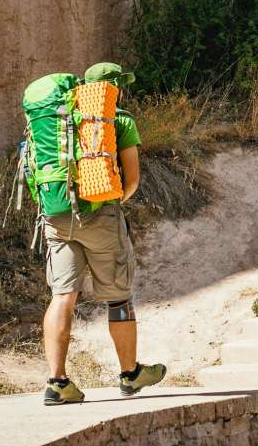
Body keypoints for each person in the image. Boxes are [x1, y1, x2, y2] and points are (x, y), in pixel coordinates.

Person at [42, 62, 166, 406]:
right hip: (101, 215)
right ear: (115, 89)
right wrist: (108, 203)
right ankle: (130, 373)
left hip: (56, 214)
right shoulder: (118, 120)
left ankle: (57, 381)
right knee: (119, 295)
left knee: (63, 295)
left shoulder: (58, 117)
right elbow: (132, 180)